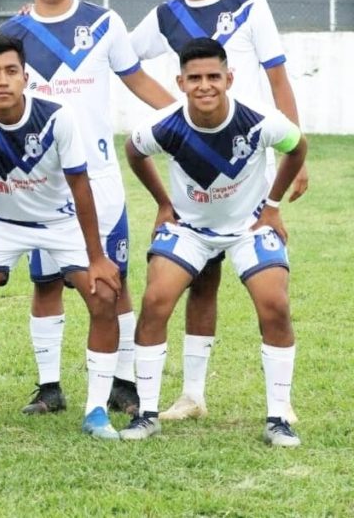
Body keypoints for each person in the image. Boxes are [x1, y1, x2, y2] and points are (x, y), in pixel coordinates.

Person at [129, 0, 306, 423]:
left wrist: (293, 157)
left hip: (249, 158)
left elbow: (277, 77)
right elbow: (122, 58)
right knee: (200, 280)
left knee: (266, 291)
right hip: (194, 166)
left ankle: (280, 405)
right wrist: (174, 113)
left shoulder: (250, 5)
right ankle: (192, 394)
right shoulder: (165, 15)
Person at [0, 0, 174, 420]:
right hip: (39, 183)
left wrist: (182, 117)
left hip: (98, 178)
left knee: (114, 281)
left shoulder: (103, 23)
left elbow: (137, 79)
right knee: (46, 283)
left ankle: (123, 383)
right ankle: (49, 386)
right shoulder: (12, 33)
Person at [121, 37, 307, 448]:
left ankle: (278, 417)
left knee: (275, 304)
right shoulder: (165, 124)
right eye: (195, 78)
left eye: (213, 77)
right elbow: (133, 151)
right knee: (155, 301)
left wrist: (273, 206)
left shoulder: (259, 119)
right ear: (181, 83)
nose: (204, 85)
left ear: (229, 78)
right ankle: (147, 413)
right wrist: (163, 203)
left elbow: (297, 147)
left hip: (249, 227)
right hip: (189, 229)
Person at [0, 33, 123, 440]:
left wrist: (97, 257)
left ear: (26, 77)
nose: (2, 80)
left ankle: (97, 411)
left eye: (11, 71)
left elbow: (80, 186)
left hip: (60, 223)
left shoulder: (58, 116)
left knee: (103, 295)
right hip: (2, 224)